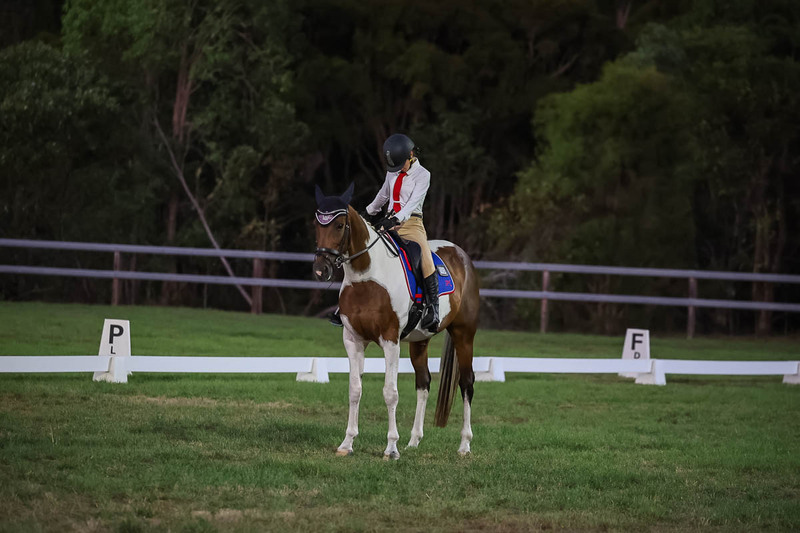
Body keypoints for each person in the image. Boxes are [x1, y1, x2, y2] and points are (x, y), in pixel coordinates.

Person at [329, 133, 440, 333]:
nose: (398, 170)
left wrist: (396, 219)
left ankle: (433, 307)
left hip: (411, 222)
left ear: (411, 155)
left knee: (423, 254)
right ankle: (344, 305)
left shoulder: (423, 175)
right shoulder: (393, 171)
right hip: (388, 220)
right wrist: (368, 213)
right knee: (362, 250)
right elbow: (383, 195)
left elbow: (414, 202)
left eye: (401, 165)